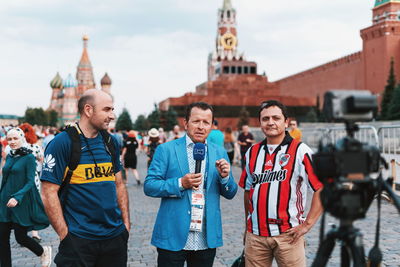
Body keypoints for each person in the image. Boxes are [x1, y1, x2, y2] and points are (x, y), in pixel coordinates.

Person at [40, 89, 130, 267]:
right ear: (88, 110)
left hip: (114, 239)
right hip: (78, 240)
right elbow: (48, 192)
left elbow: (119, 185)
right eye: (107, 109)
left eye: (112, 109)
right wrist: (65, 235)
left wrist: (125, 226)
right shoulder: (62, 143)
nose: (112, 115)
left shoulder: (110, 141)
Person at [144, 102, 238, 267]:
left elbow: (231, 192)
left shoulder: (219, 152)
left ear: (211, 126)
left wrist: (225, 177)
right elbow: (150, 185)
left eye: (206, 122)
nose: (201, 127)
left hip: (205, 237)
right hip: (173, 235)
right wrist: (181, 183)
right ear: (186, 123)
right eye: (196, 121)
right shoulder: (166, 150)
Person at [239, 100, 323, 267]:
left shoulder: (300, 151)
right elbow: (248, 190)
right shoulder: (252, 153)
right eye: (265, 119)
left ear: (285, 122)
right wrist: (247, 224)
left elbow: (322, 188)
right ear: (260, 123)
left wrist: (307, 225)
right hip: (256, 236)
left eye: (276, 118)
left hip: (288, 235)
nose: (270, 122)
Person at [0, 128, 51, 267]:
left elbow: (30, 181)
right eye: (9, 139)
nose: (12, 142)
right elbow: (5, 177)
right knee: (2, 237)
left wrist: (18, 197)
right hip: (5, 200)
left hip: (20, 200)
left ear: (22, 138)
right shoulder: (9, 155)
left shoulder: (29, 157)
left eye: (15, 138)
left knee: (20, 237)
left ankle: (42, 251)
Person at [19, 123, 45, 242]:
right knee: (34, 205)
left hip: (20, 179)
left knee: (23, 205)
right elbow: (42, 160)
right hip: (34, 178)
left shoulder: (16, 147)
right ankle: (35, 233)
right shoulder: (35, 147)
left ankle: (23, 232)